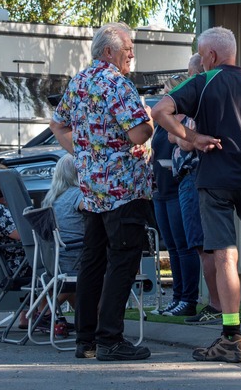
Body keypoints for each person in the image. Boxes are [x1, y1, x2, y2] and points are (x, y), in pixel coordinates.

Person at [152, 27, 241, 364]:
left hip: (214, 181)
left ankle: (231, 337)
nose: (200, 61)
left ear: (211, 56)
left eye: (202, 55)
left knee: (224, 256)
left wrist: (193, 136)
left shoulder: (202, 82)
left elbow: (160, 111)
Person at [49, 22, 155, 362]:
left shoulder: (79, 81)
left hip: (91, 189)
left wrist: (83, 153)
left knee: (92, 261)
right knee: (122, 260)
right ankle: (110, 338)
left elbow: (58, 124)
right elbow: (139, 133)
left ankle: (86, 339)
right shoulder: (116, 82)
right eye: (128, 51)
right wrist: (150, 121)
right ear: (109, 52)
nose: (132, 56)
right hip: (123, 188)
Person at [175, 53, 224, 326]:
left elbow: (182, 141)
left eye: (191, 73)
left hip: (195, 176)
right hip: (191, 179)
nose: (190, 79)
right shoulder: (197, 98)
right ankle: (217, 304)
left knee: (204, 246)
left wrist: (185, 136)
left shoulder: (200, 97)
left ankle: (216, 305)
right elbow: (172, 133)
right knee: (201, 245)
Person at [150, 75, 200, 317]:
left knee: (184, 246)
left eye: (168, 93)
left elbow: (187, 146)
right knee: (170, 247)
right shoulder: (161, 123)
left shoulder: (188, 120)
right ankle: (176, 296)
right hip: (160, 189)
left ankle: (188, 298)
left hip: (177, 186)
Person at [42, 154, 84, 273]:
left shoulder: (50, 198)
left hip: (54, 260)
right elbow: (95, 213)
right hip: (76, 259)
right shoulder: (79, 195)